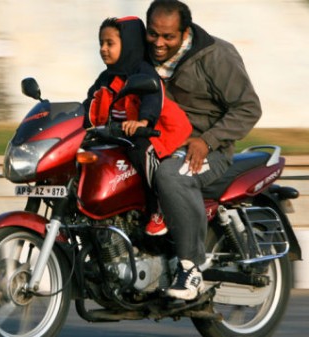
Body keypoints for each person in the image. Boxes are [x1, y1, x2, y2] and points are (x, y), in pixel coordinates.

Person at [145, 0, 262, 300]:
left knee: (173, 175)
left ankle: (191, 267)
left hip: (208, 150)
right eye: (153, 34)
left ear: (185, 33)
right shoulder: (144, 53)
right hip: (160, 143)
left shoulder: (216, 56)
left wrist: (208, 140)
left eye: (168, 36)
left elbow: (248, 108)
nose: (159, 43)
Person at [82, 16, 192, 236]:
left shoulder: (142, 71)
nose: (103, 49)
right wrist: (77, 124)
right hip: (123, 136)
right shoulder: (106, 77)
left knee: (140, 150)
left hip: (159, 135)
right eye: (101, 43)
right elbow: (89, 103)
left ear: (129, 43)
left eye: (110, 43)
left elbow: (152, 96)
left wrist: (143, 121)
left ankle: (160, 208)